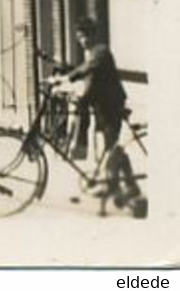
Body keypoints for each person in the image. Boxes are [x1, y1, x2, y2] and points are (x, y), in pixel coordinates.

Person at [59, 17, 138, 205]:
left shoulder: (101, 51)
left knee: (112, 148)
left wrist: (67, 80)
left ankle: (128, 186)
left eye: (86, 35)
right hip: (102, 107)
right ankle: (117, 186)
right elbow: (88, 78)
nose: (83, 40)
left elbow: (88, 70)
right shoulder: (90, 53)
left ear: (93, 34)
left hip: (111, 107)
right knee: (107, 147)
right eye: (80, 37)